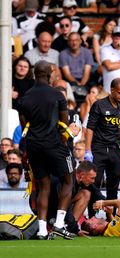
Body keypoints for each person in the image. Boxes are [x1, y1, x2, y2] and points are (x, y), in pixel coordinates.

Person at [18, 60, 75, 240]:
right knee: (68, 180)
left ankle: (42, 230)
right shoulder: (57, 95)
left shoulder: (25, 97)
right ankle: (58, 224)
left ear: (35, 73)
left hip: (33, 145)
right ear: (50, 73)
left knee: (43, 187)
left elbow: (23, 123)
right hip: (54, 144)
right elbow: (64, 123)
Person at [84, 78, 120, 201]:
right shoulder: (99, 105)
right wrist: (88, 150)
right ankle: (92, 215)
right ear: (112, 90)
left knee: (114, 183)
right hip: (99, 148)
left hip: (116, 149)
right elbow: (90, 128)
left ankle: (111, 217)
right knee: (95, 181)